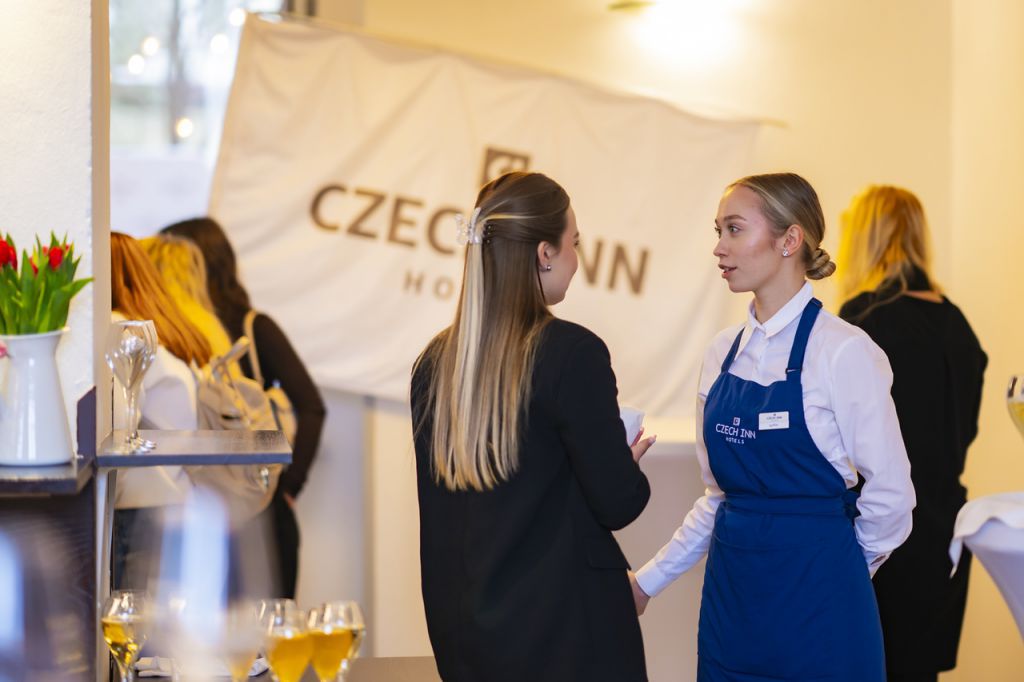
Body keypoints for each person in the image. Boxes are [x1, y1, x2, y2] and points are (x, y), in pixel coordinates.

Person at [632, 173, 915, 681]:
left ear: (790, 240)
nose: (719, 247)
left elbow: (893, 498)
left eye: (734, 229)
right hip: (732, 608)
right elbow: (717, 499)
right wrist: (646, 583)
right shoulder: (721, 353)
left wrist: (841, 573)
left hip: (822, 611)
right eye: (718, 231)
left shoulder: (844, 351)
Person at [410, 172, 654, 682]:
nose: (576, 259)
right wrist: (623, 464)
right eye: (574, 243)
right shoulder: (573, 354)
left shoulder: (435, 363)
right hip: (568, 638)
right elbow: (618, 503)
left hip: (467, 642)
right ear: (545, 253)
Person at [837, 185, 986, 682]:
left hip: (882, 536)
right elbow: (964, 433)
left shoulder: (863, 321)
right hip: (946, 530)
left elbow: (838, 445)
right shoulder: (959, 325)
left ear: (863, 238)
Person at [160, 217, 326, 600]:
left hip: (262, 509)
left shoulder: (253, 327)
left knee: (266, 626)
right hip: (213, 507)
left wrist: (289, 487)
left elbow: (312, 408)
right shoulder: (180, 328)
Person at [109, 232, 211, 587]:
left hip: (138, 511)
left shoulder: (121, 330)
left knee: (131, 619)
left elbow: (119, 426)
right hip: (177, 498)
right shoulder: (162, 331)